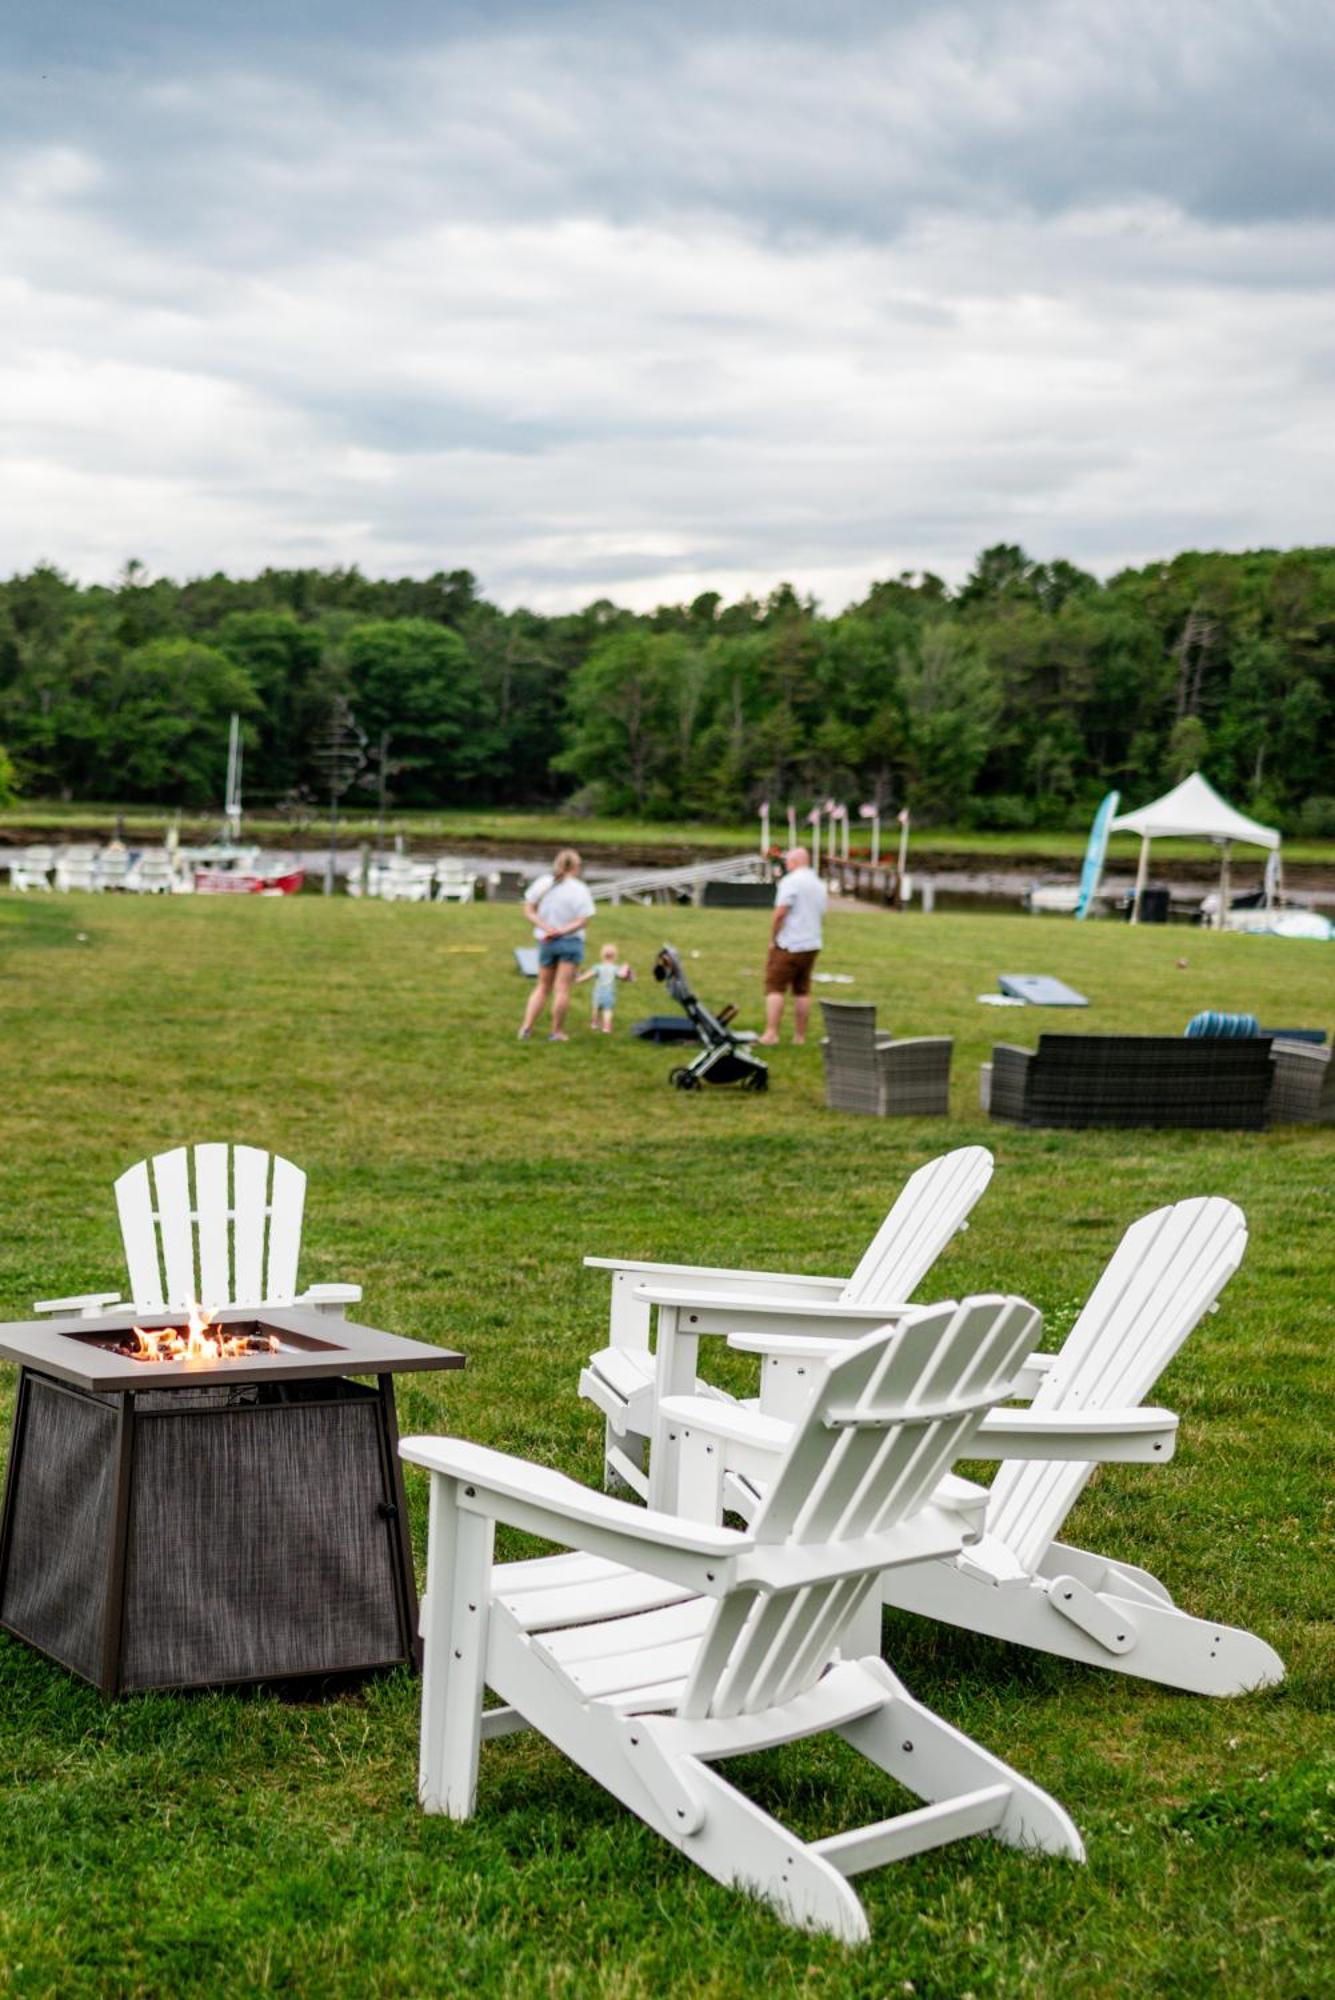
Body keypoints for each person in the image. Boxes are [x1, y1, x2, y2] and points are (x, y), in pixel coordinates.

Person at [518, 849, 596, 1041]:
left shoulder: (543, 883)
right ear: (576, 867)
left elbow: (528, 910)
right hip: (570, 942)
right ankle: (556, 1032)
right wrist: (562, 931)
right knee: (562, 989)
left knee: (542, 987)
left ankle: (526, 1029)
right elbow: (583, 920)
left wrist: (546, 928)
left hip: (546, 941)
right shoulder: (579, 889)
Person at [758, 845, 828, 1045]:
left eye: (788, 861)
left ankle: (771, 1033)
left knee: (775, 987)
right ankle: (800, 1036)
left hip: (789, 943)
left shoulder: (791, 882)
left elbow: (780, 913)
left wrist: (773, 939)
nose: (787, 865)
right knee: (802, 990)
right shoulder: (818, 883)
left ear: (795, 862)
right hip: (812, 943)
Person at [576, 941, 633, 1033]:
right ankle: (606, 1028)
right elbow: (622, 975)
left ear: (601, 955)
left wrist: (579, 979)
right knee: (607, 1010)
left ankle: (594, 1024)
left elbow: (588, 975)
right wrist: (626, 967)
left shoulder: (597, 967)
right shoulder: (615, 968)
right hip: (609, 995)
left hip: (598, 994)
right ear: (615, 956)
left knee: (596, 1008)